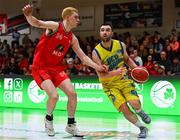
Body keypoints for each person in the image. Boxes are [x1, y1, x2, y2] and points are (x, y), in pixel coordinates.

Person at [22, 4, 107, 137]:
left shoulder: (73, 38)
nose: (78, 19)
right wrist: (28, 16)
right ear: (67, 17)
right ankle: (48, 120)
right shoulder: (55, 27)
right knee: (54, 96)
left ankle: (71, 125)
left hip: (56, 68)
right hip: (41, 67)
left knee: (72, 94)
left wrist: (98, 67)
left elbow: (83, 57)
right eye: (76, 17)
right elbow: (37, 23)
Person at [92, 23, 151, 138]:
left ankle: (140, 112)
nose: (105, 32)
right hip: (109, 85)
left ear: (112, 33)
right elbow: (101, 77)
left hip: (124, 79)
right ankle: (142, 128)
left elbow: (127, 60)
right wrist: (114, 72)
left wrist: (137, 71)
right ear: (100, 33)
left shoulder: (120, 45)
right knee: (124, 109)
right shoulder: (96, 52)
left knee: (134, 103)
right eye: (102, 30)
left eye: (107, 30)